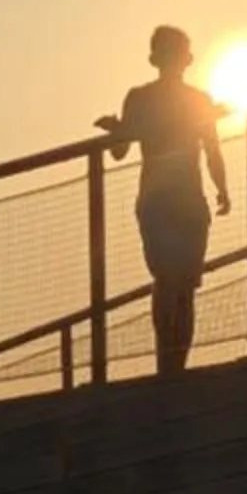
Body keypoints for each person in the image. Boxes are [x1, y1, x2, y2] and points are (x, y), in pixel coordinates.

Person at [97, 28, 228, 376]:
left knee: (172, 282)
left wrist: (117, 130)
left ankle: (169, 367)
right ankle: (173, 366)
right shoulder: (195, 99)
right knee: (180, 285)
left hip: (163, 198)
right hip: (180, 198)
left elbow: (119, 151)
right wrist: (223, 188)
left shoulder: (141, 98)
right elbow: (212, 150)